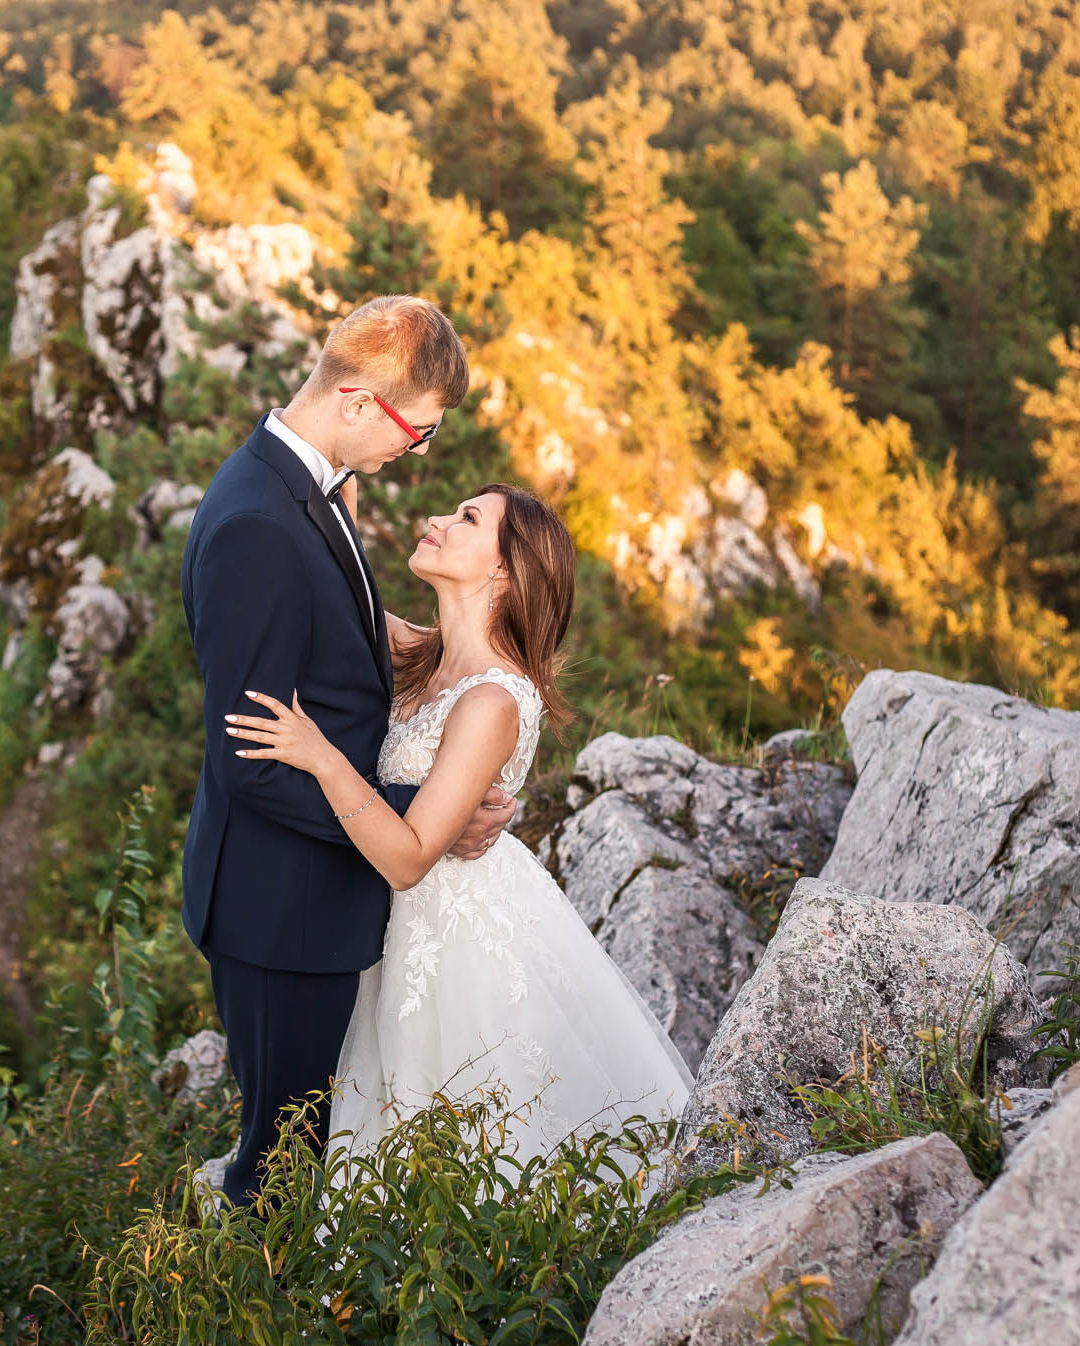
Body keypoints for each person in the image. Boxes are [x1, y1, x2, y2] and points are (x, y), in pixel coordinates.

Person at [223, 483, 695, 1172]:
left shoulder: (494, 701)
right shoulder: (422, 654)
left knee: (464, 1148)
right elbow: (338, 598)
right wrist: (331, 509)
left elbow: (411, 856)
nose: (436, 520)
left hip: (455, 949)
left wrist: (320, 756)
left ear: (506, 569)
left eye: (466, 518)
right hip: (395, 940)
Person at [179, 295, 520, 1209]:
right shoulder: (258, 521)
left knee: (317, 1146)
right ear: (363, 402)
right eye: (420, 432)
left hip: (314, 903)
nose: (419, 453)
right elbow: (250, 761)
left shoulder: (310, 492)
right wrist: (420, 827)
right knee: (282, 1166)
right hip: (276, 910)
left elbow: (361, 654)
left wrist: (455, 783)